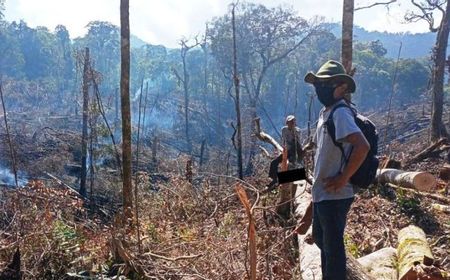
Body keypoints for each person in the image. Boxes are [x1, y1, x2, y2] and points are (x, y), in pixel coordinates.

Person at [304, 60, 370, 280]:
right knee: (323, 241)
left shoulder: (340, 113)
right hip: (324, 193)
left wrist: (343, 178)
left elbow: (362, 146)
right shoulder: (326, 113)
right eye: (318, 84)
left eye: (324, 84)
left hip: (335, 194)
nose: (319, 89)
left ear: (340, 87)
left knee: (333, 251)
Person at [267, 115, 304, 190]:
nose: (291, 124)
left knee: (291, 166)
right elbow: (284, 140)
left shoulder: (297, 130)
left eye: (293, 122)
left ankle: (292, 182)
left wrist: (294, 134)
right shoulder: (284, 130)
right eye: (290, 122)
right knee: (274, 162)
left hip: (295, 151)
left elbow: (297, 143)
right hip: (287, 151)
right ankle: (274, 179)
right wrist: (283, 149)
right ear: (287, 123)